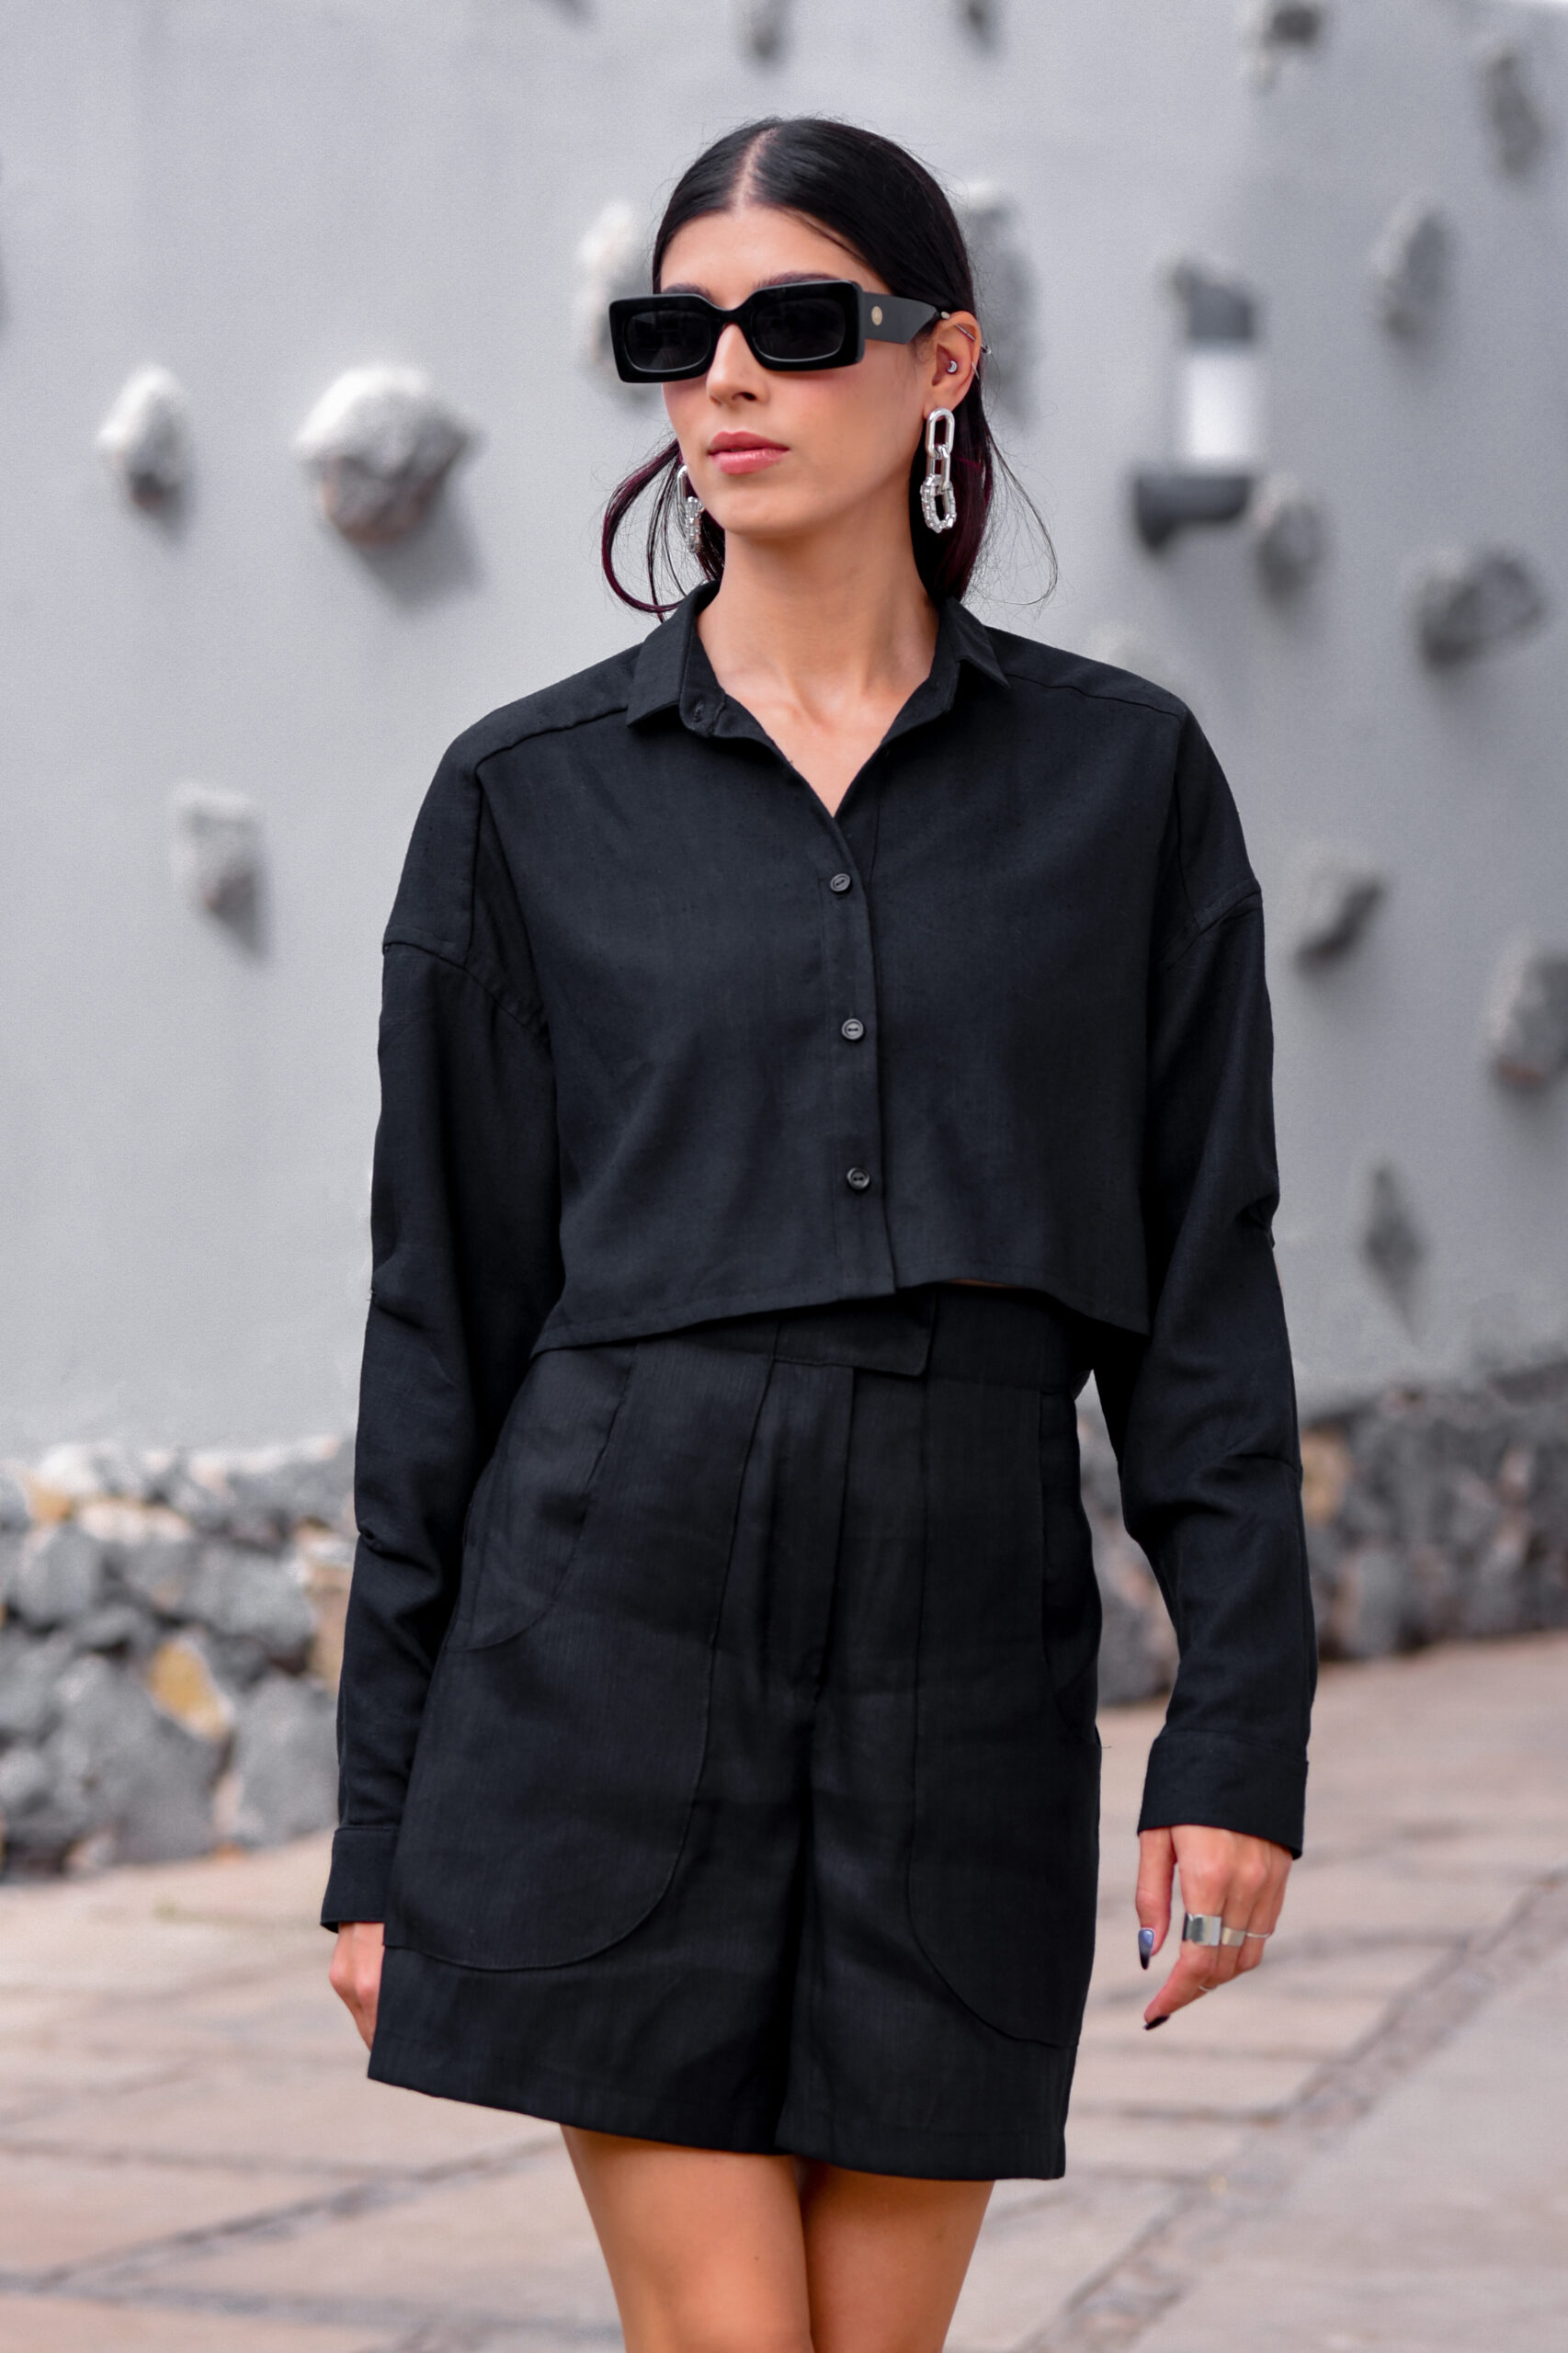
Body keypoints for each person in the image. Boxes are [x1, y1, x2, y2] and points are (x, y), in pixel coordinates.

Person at [323, 114, 1314, 2353]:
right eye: (676, 334)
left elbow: (1203, 1292)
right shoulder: (521, 798)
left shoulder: (1125, 784)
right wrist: (382, 1818)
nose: (728, 381)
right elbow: (439, 1319)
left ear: (939, 359)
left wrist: (1237, 1739)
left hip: (964, 1635)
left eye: (795, 323)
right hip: (608, 1623)